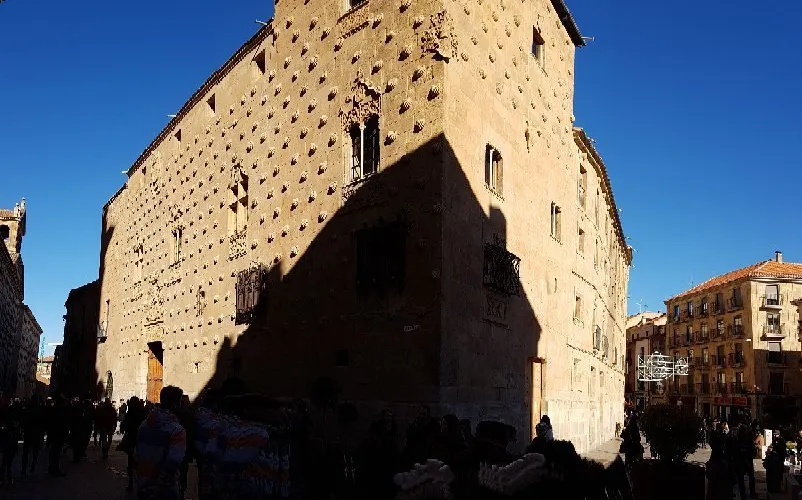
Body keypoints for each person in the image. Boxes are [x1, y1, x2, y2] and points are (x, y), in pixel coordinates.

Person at [135, 386, 187, 500]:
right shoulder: (177, 430)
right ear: (175, 405)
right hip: (164, 490)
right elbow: (173, 463)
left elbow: (137, 454)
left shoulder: (144, 425)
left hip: (143, 484)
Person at [120, 396, 146, 492]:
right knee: (139, 461)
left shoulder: (130, 413)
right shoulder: (143, 412)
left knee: (131, 461)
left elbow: (125, 424)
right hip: (141, 440)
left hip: (131, 439)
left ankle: (131, 483)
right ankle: (140, 482)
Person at [21, 395, 46, 476]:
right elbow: (42, 424)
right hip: (36, 434)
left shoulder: (27, 410)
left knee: (26, 452)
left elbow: (23, 422)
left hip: (28, 433)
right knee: (35, 451)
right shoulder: (40, 411)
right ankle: (33, 465)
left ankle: (24, 469)